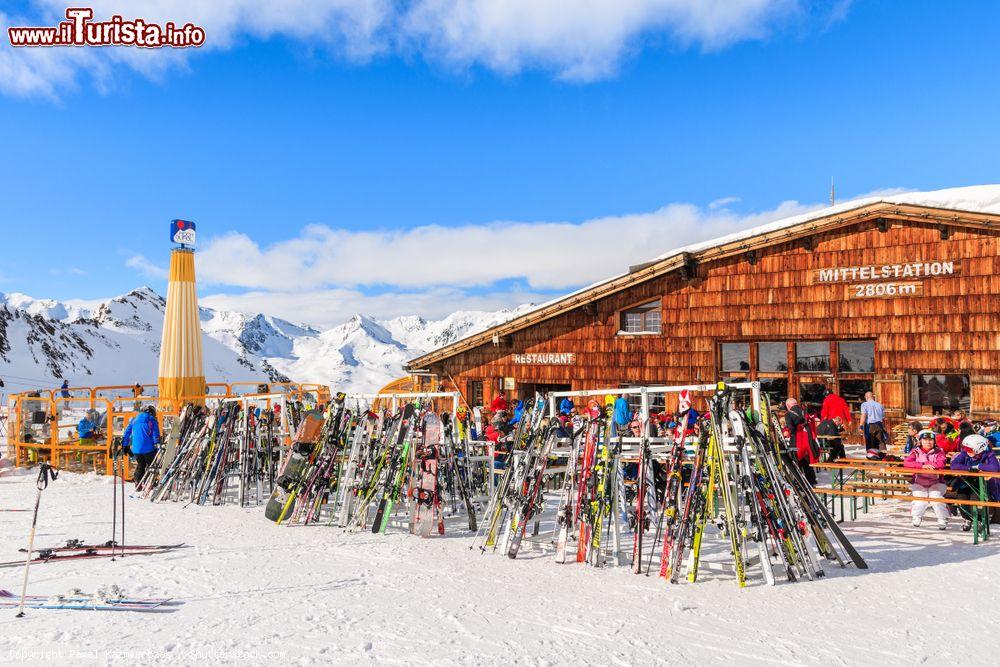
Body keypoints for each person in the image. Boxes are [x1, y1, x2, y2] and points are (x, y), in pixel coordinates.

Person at [948, 434, 1000, 529]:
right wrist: (969, 468)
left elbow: (995, 468)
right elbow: (954, 465)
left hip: (981, 483)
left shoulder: (989, 454)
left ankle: (979, 520)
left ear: (979, 449)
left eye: (970, 449)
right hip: (965, 482)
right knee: (961, 498)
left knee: (975, 500)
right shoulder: (965, 453)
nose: (967, 451)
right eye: (966, 448)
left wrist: (979, 466)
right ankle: (967, 518)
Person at [902, 429, 949, 529]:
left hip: (937, 482)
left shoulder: (939, 451)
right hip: (919, 481)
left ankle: (942, 518)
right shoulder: (915, 452)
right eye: (925, 440)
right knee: (920, 499)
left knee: (935, 498)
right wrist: (922, 465)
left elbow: (941, 463)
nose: (928, 442)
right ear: (920, 441)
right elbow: (907, 463)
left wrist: (929, 465)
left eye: (930, 440)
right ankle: (916, 516)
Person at [122, 405, 160, 488]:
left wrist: (125, 445)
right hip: (149, 448)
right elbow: (155, 433)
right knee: (152, 465)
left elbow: (126, 433)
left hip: (136, 449)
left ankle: (138, 481)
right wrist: (157, 442)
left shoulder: (133, 420)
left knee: (141, 464)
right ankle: (150, 482)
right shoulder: (152, 419)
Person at [784, 398, 820, 485]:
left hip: (797, 440)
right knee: (806, 461)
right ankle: (811, 480)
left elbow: (791, 428)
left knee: (796, 461)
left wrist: (787, 432)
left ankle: (799, 482)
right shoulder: (805, 411)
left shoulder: (788, 414)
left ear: (788, 406)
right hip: (808, 440)